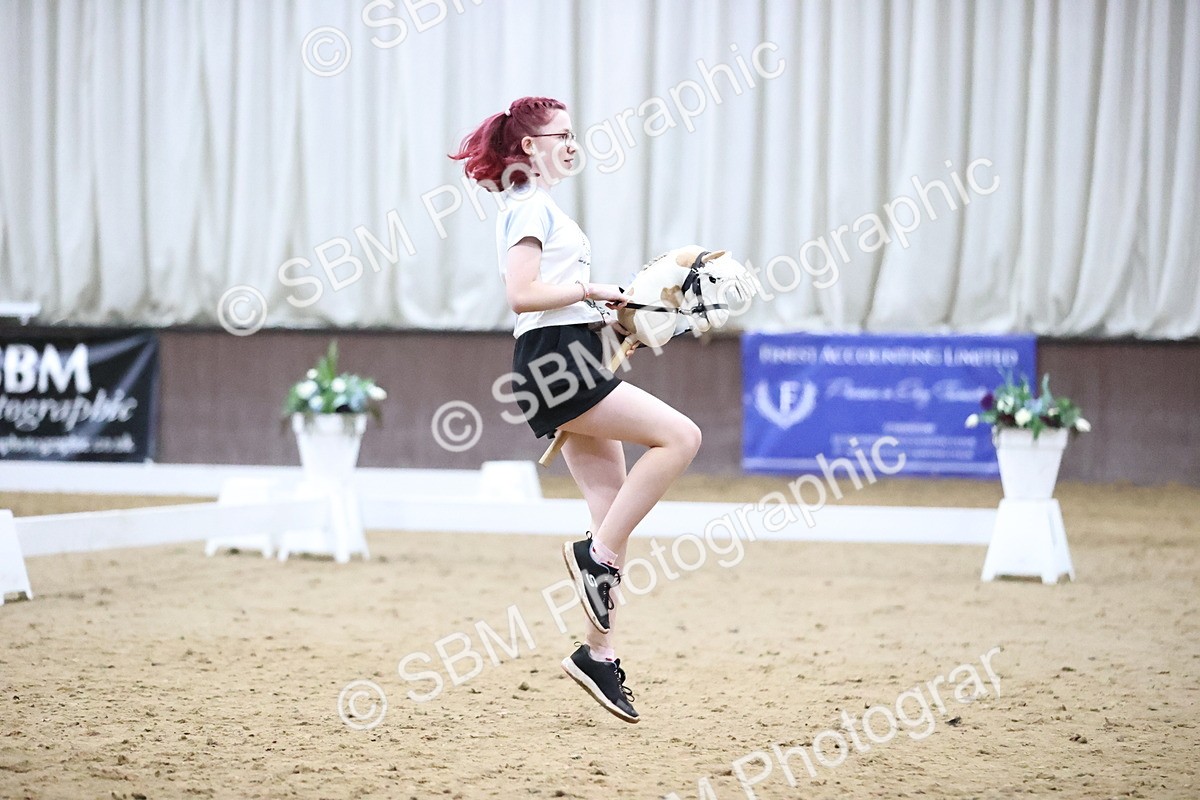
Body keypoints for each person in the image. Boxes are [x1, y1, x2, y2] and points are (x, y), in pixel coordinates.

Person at [450, 96, 702, 723]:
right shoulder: (529, 204)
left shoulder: (538, 204)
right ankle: (597, 556)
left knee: (608, 508)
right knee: (681, 438)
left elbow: (553, 301)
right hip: (552, 359)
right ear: (529, 147)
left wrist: (619, 319)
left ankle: (599, 652)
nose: (571, 143)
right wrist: (593, 290)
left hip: (570, 351)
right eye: (560, 134)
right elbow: (521, 294)